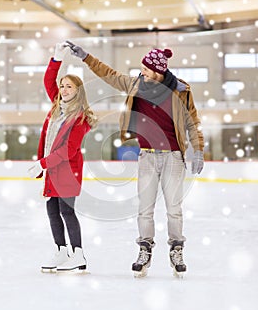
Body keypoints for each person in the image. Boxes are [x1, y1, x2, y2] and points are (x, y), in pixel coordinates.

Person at [65, 40, 204, 278]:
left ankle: (176, 249)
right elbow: (109, 74)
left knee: (174, 210)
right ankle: (145, 250)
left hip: (173, 157)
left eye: (147, 69)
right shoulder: (136, 85)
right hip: (147, 157)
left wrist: (198, 149)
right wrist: (86, 57)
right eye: (142, 68)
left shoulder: (180, 92)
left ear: (159, 73)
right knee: (145, 209)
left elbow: (192, 123)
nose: (142, 72)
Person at [28, 43, 97, 272]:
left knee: (67, 211)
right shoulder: (57, 108)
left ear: (78, 90)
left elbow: (68, 150)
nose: (64, 89)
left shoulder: (80, 118)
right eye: (62, 86)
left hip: (67, 171)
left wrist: (42, 164)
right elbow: (49, 80)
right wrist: (57, 58)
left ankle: (78, 254)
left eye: (69, 86)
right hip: (52, 170)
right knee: (52, 212)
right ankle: (60, 250)